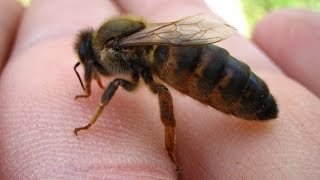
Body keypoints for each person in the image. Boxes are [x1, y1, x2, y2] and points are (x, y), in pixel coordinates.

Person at [0, 0, 319, 179]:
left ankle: (170, 147)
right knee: (162, 91)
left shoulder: (118, 46)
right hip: (195, 56)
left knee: (162, 93)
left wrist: (92, 117)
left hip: (202, 70)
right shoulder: (135, 36)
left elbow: (124, 85)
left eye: (91, 65)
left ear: (100, 52)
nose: (92, 71)